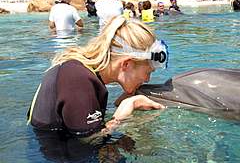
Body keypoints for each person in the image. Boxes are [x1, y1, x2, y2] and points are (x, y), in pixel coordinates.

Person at [28, 16, 168, 137]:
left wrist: (117, 106)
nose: (147, 80)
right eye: (148, 72)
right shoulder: (78, 79)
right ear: (126, 64)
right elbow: (90, 141)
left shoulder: (80, 71)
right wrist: (124, 112)